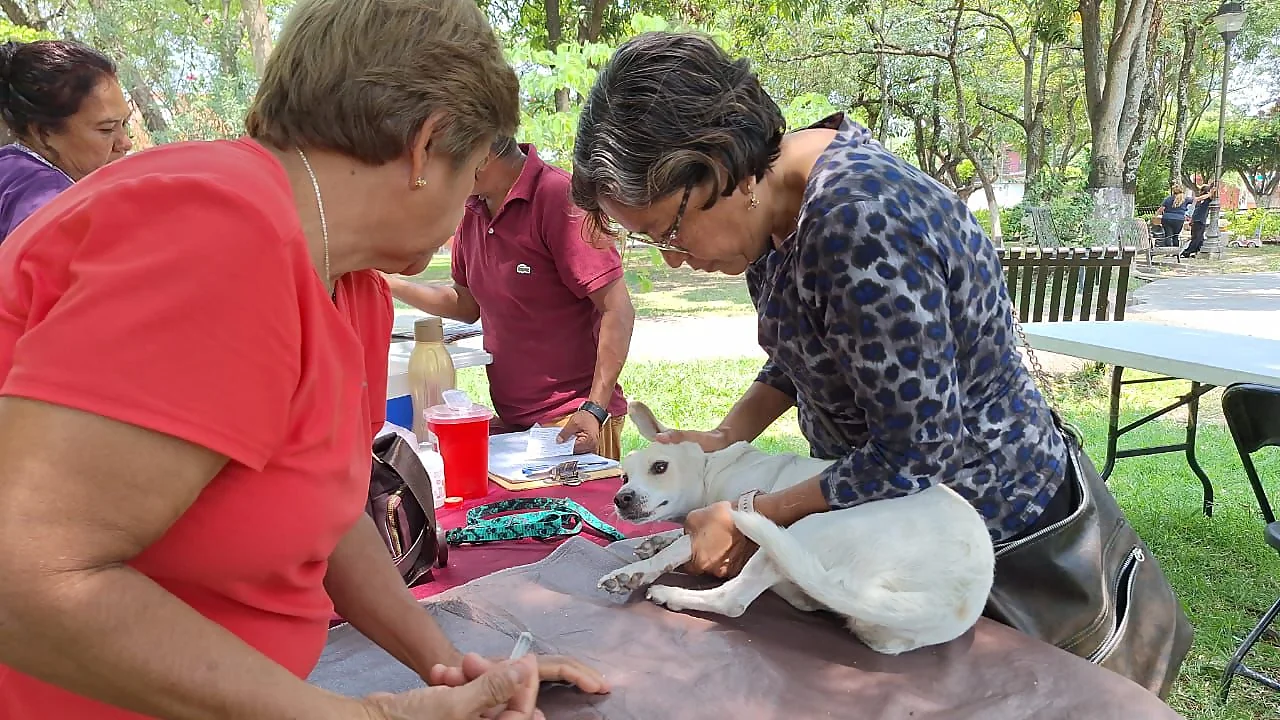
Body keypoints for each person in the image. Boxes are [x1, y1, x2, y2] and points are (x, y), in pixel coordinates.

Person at [0, 2, 606, 719]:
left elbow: (328, 506)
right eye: (470, 172)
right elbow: (27, 575)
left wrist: (456, 670)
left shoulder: (353, 285)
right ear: (426, 147)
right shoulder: (219, 233)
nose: (463, 209)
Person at [572, 28, 1099, 644]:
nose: (673, 261)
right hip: (890, 525)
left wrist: (753, 517)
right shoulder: (773, 211)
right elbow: (799, 358)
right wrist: (724, 438)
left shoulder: (858, 223)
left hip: (980, 536)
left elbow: (914, 452)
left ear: (714, 172)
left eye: (667, 232)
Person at [386, 135, 634, 459]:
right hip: (516, 423)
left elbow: (617, 308)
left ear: (482, 155)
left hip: (573, 420)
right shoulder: (473, 209)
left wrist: (595, 408)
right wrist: (389, 283)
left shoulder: (557, 196)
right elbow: (466, 304)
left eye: (448, 163)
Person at [0, 39, 131, 242]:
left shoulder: (10, 174)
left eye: (125, 124)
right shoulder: (42, 197)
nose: (125, 143)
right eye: (106, 129)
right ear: (44, 134)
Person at [1181, 182, 1216, 258]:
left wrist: (1212, 191)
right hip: (1198, 219)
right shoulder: (1203, 198)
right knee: (1197, 237)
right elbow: (1196, 207)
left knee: (1198, 237)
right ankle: (1192, 251)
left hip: (1199, 219)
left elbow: (1210, 195)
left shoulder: (1206, 198)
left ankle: (1192, 251)